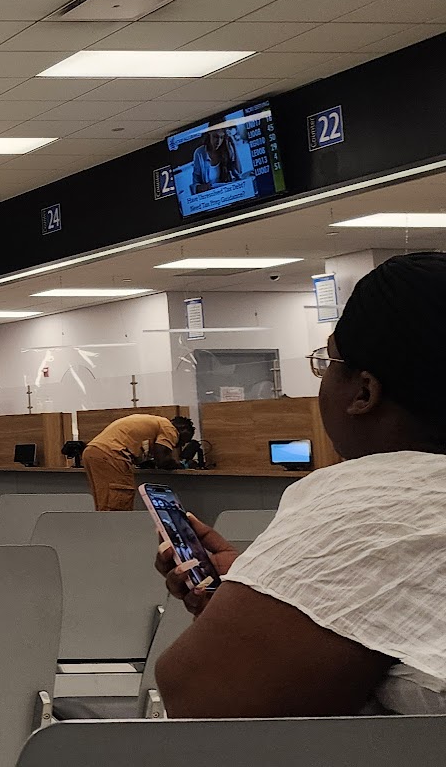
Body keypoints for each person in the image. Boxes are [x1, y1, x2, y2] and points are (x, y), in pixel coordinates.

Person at [155, 251, 446, 718]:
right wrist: (262, 595)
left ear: (364, 392)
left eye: (328, 360)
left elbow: (201, 700)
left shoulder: (378, 498)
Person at [81, 413, 185, 511]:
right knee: (118, 504)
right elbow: (162, 459)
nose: (182, 444)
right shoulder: (169, 428)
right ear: (184, 430)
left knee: (105, 502)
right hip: (111, 454)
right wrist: (178, 465)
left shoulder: (154, 423)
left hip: (92, 452)